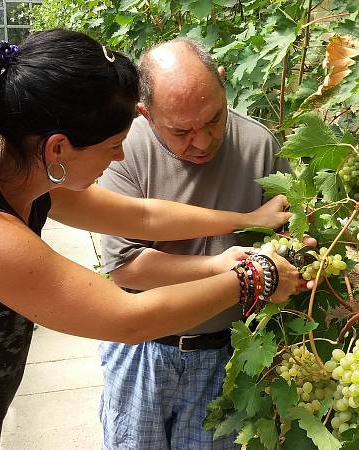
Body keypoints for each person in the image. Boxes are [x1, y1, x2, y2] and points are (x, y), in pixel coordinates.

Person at [0, 30, 305, 450]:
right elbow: (127, 318)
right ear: (57, 148)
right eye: (112, 144)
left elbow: (144, 214)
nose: (121, 157)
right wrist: (254, 276)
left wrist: (245, 218)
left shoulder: (23, 183)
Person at [97, 38, 301, 450]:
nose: (203, 141)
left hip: (226, 354)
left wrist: (294, 252)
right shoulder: (123, 151)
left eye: (213, 119)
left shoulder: (260, 145)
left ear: (223, 84)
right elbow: (125, 266)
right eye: (181, 131)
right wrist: (228, 269)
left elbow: (286, 237)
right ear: (146, 113)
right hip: (144, 353)